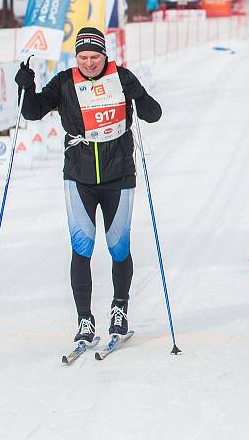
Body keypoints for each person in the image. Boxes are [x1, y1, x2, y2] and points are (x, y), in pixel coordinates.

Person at [14, 27, 162, 344]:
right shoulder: (66, 82)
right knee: (82, 248)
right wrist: (26, 88)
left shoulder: (121, 77)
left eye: (95, 57)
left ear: (104, 55)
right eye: (83, 57)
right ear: (76, 56)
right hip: (79, 178)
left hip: (119, 176)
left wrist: (139, 95)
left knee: (118, 247)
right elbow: (32, 111)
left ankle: (119, 309)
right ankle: (84, 320)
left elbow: (154, 114)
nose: (90, 63)